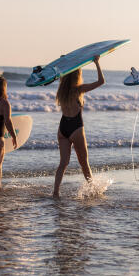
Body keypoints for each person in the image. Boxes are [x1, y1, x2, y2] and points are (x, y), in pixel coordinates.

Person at [52, 55, 105, 198]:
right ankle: (92, 190)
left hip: (62, 128)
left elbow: (61, 74)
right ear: (78, 75)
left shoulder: (61, 91)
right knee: (84, 163)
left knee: (63, 163)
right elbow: (101, 81)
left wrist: (64, 62)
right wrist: (97, 63)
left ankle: (56, 192)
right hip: (76, 128)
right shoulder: (79, 89)